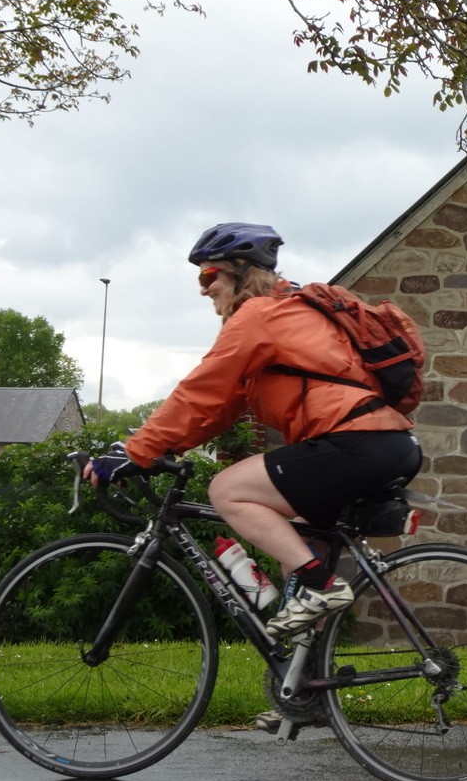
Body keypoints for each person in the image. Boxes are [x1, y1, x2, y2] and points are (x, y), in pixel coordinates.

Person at [85, 222, 421, 640]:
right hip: (386, 443)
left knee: (227, 489)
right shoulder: (286, 313)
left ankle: (321, 588)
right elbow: (220, 407)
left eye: (209, 275)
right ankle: (302, 695)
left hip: (358, 444)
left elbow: (200, 389)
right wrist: (156, 448)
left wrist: (135, 453)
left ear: (241, 271)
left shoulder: (258, 316)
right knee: (298, 550)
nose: (203, 289)